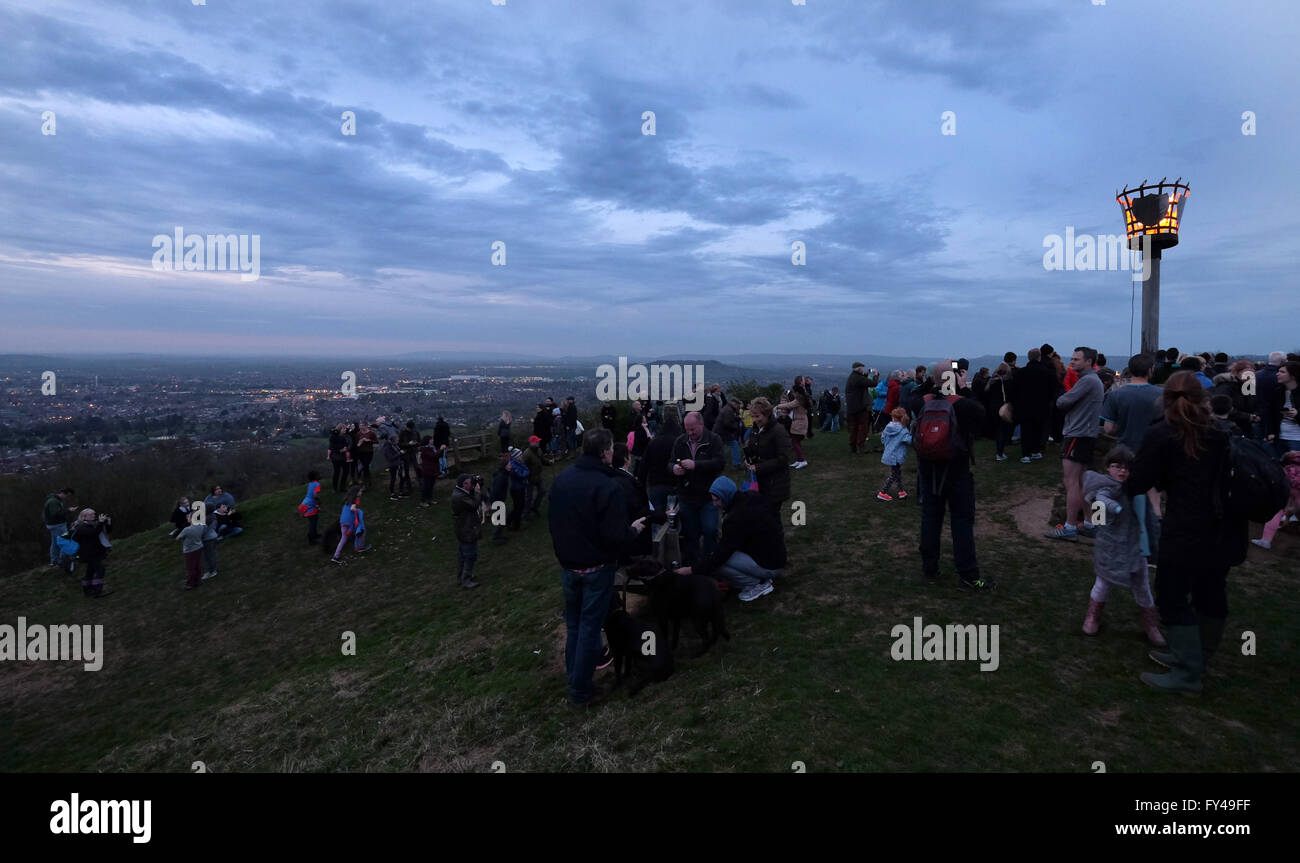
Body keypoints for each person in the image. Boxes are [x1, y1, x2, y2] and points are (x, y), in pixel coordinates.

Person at [1124, 371, 1247, 693]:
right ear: (1202, 398)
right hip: (1226, 525)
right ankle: (1197, 657)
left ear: (1165, 399)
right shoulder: (1221, 430)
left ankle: (1189, 672)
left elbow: (1138, 482)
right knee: (1211, 590)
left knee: (1172, 595)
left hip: (1187, 527)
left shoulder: (1163, 433)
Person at [547, 428, 646, 706]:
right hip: (595, 567)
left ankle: (575, 678)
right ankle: (580, 692)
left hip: (569, 565)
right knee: (590, 627)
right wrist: (633, 531)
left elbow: (554, 520)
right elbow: (616, 534)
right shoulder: (607, 487)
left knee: (575, 624)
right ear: (605, 453)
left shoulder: (563, 479)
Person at [907, 360, 991, 590]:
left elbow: (914, 395)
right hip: (957, 471)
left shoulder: (921, 402)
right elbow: (982, 412)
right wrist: (963, 387)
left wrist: (933, 383)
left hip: (928, 469)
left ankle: (930, 567)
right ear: (954, 379)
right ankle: (968, 575)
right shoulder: (962, 404)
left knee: (930, 518)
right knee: (961, 522)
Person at [1080, 445, 1165, 645]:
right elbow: (1101, 506)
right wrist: (1114, 507)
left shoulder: (1137, 490)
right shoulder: (1103, 488)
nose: (1122, 471)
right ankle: (1092, 617)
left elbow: (1148, 517)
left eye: (1126, 467)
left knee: (1142, 586)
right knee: (1103, 584)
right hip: (1110, 547)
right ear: (1108, 467)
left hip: (1135, 547)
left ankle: (1151, 626)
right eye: (1117, 466)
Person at [676, 475, 786, 602]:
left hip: (770, 565)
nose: (714, 504)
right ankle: (759, 577)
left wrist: (691, 570)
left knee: (720, 564)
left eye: (717, 500)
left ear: (726, 495)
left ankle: (755, 584)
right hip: (777, 556)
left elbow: (720, 555)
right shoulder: (751, 497)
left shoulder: (735, 518)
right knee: (721, 555)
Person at [1101, 353, 1164, 562]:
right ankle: (1154, 551)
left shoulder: (1116, 395)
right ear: (1150, 371)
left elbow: (1108, 428)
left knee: (1125, 501)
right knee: (1154, 502)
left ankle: (1128, 546)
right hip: (1154, 454)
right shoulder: (1161, 395)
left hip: (1124, 454)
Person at [1044, 347, 1104, 541]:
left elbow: (1062, 402)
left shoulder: (1087, 381)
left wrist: (1063, 396)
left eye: (1077, 359)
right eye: (1072, 358)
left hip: (1077, 434)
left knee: (1071, 482)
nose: (1072, 362)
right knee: (1082, 481)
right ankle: (1089, 523)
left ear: (1089, 362)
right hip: (1086, 434)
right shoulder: (1093, 380)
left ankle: (1069, 527)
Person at [672, 412, 726, 565]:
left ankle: (710, 560)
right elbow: (670, 462)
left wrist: (696, 465)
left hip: (708, 496)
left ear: (701, 425)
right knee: (691, 532)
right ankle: (695, 564)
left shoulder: (714, 440)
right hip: (686, 496)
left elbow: (720, 463)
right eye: (687, 429)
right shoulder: (680, 441)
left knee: (710, 530)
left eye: (693, 429)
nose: (690, 433)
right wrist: (674, 468)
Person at [742, 396, 793, 517]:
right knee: (760, 515)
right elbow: (758, 451)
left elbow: (783, 459)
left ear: (767, 414)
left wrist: (758, 467)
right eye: (752, 416)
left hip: (774, 484)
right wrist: (748, 458)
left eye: (758, 416)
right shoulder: (756, 429)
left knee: (772, 517)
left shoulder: (778, 431)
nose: (754, 420)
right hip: (759, 483)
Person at [1011, 348, 1055, 462]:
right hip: (1041, 406)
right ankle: (1036, 451)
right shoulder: (1047, 372)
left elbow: (1014, 390)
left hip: (1024, 406)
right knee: (1038, 430)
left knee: (1026, 430)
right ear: (1039, 357)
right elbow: (1052, 390)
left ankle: (1026, 455)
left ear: (1029, 357)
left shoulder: (1021, 372)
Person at [1251, 451, 1300, 550]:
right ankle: (1288, 519)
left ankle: (1266, 540)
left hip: (1288, 488)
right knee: (1293, 509)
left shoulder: (1288, 467)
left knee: (1279, 512)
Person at [639, 405, 681, 517]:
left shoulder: (654, 442)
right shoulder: (682, 441)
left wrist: (641, 488)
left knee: (657, 519)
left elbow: (643, 466)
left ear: (663, 418)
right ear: (678, 417)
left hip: (656, 484)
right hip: (677, 485)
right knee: (678, 519)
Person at [451, 473, 484, 588]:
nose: (473, 485)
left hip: (463, 528)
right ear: (464, 484)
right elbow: (474, 504)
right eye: (470, 483)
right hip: (466, 529)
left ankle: (461, 577)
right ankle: (466, 580)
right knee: (470, 555)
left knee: (462, 555)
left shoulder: (459, 492)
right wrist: (477, 492)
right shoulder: (460, 497)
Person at [72, 508, 111, 598]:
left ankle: (88, 590)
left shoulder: (93, 524)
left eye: (94, 514)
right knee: (100, 570)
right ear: (84, 516)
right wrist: (101, 523)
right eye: (91, 514)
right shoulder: (80, 526)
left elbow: (106, 530)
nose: (94, 516)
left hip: (94, 552)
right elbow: (94, 533)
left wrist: (107, 522)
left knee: (90, 572)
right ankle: (97, 591)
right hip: (89, 553)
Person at [1264, 360, 1300, 457]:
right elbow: (1270, 413)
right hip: (1280, 437)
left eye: (1282, 372)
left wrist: (1297, 414)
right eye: (1278, 371)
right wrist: (1270, 432)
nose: (1277, 374)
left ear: (1293, 375)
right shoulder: (1277, 392)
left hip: (1297, 438)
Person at [877, 407, 913, 501]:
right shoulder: (903, 430)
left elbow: (883, 439)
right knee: (894, 474)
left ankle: (901, 491)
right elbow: (909, 441)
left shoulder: (888, 427)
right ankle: (883, 492)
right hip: (897, 455)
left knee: (897, 473)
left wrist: (888, 446)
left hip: (889, 453)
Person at [330, 485, 373, 564]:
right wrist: (358, 511)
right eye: (360, 491)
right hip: (349, 522)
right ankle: (360, 547)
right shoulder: (354, 500)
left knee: (343, 539)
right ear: (356, 493)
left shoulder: (348, 500)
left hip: (343, 521)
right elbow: (352, 508)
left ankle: (336, 556)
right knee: (360, 531)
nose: (361, 492)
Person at [776, 379, 811, 469]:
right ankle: (799, 460)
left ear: (797, 392)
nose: (792, 393)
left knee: (795, 442)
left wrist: (777, 406)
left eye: (793, 392)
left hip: (799, 422)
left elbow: (788, 405)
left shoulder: (799, 400)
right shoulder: (803, 399)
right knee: (796, 442)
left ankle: (802, 460)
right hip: (800, 422)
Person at [985, 363, 1012, 461]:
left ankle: (999, 451)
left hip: (993, 407)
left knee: (998, 430)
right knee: (1003, 430)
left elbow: (987, 393)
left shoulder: (992, 382)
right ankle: (1000, 453)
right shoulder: (1008, 382)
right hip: (1003, 407)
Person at [44, 488, 76, 568]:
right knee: (64, 541)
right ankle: (62, 561)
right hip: (57, 525)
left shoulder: (55, 500)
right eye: (68, 496)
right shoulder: (53, 502)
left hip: (54, 525)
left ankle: (54, 561)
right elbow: (55, 514)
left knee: (55, 543)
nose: (68, 498)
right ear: (64, 493)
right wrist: (68, 510)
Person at [845, 362, 872, 453]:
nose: (863, 370)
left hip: (853, 407)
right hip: (860, 406)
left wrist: (865, 375)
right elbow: (872, 383)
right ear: (859, 369)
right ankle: (860, 446)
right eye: (862, 368)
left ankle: (853, 446)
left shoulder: (853, 377)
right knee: (863, 426)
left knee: (854, 427)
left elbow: (860, 382)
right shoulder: (857, 378)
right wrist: (876, 375)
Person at [714, 396, 744, 470]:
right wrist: (736, 427)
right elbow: (727, 423)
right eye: (737, 404)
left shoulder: (727, 408)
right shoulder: (729, 410)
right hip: (722, 432)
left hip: (719, 431)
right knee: (734, 444)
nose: (737, 406)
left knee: (719, 448)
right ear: (733, 403)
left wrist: (738, 418)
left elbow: (730, 419)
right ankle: (737, 464)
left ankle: (717, 463)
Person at [178, 517, 208, 591]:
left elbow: (178, 538)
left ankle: (190, 584)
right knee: (197, 565)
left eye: (188, 516)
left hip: (189, 551)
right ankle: (198, 581)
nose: (187, 517)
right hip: (199, 547)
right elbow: (204, 532)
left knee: (190, 567)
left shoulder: (187, 529)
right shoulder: (202, 526)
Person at [523, 435, 548, 516]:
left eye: (538, 441)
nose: (538, 442)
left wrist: (548, 462)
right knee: (529, 497)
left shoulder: (539, 450)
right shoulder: (526, 454)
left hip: (538, 476)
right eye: (537, 441)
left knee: (542, 491)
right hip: (530, 478)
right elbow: (523, 467)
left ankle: (534, 508)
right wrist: (526, 477)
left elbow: (542, 459)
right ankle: (526, 513)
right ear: (532, 443)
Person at [506, 446, 529, 530]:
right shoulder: (513, 465)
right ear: (516, 456)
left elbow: (526, 470)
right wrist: (525, 472)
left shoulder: (519, 462)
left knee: (520, 506)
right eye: (520, 455)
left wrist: (525, 471)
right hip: (516, 489)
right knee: (518, 507)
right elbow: (521, 474)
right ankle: (515, 525)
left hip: (520, 487)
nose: (521, 456)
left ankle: (510, 521)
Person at [299, 471, 322, 543]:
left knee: (314, 520)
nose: (319, 475)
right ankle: (312, 539)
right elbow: (315, 496)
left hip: (306, 503)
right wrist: (318, 504)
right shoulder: (317, 484)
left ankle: (314, 534)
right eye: (318, 474)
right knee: (313, 521)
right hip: (309, 506)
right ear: (315, 477)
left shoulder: (310, 484)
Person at [418, 436, 440, 506]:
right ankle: (423, 501)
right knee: (426, 486)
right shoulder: (424, 449)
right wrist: (441, 449)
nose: (433, 440)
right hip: (427, 470)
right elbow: (433, 456)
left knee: (431, 486)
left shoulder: (431, 447)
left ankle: (430, 499)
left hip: (432, 469)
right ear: (428, 441)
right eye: (431, 439)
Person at [327, 424, 350, 492]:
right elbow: (331, 447)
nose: (345, 430)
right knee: (337, 472)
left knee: (346, 471)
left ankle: (342, 487)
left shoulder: (344, 436)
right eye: (344, 429)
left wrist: (346, 447)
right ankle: (335, 488)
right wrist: (340, 450)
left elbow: (346, 444)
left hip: (343, 456)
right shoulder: (333, 437)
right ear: (340, 429)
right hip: (336, 457)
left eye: (345, 429)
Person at [399, 421, 420, 494]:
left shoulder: (415, 432)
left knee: (417, 468)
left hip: (414, 452)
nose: (410, 430)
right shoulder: (402, 433)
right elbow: (399, 444)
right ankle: (408, 486)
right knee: (406, 470)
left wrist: (416, 443)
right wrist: (408, 444)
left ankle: (421, 483)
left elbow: (419, 442)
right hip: (406, 453)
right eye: (409, 429)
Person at [355, 422, 378, 487]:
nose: (360, 427)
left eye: (362, 426)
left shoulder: (372, 433)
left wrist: (369, 440)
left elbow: (376, 441)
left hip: (369, 452)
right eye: (360, 426)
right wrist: (359, 442)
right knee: (365, 467)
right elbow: (356, 443)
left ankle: (366, 482)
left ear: (366, 426)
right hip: (361, 452)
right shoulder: (358, 434)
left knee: (366, 465)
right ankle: (367, 482)